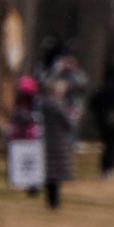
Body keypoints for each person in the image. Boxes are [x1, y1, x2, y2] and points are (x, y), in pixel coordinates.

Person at [39, 80, 79, 211]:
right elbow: (68, 123)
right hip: (58, 141)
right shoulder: (57, 106)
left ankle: (50, 199)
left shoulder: (41, 104)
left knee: (48, 171)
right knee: (56, 174)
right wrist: (73, 118)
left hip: (46, 139)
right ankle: (54, 201)